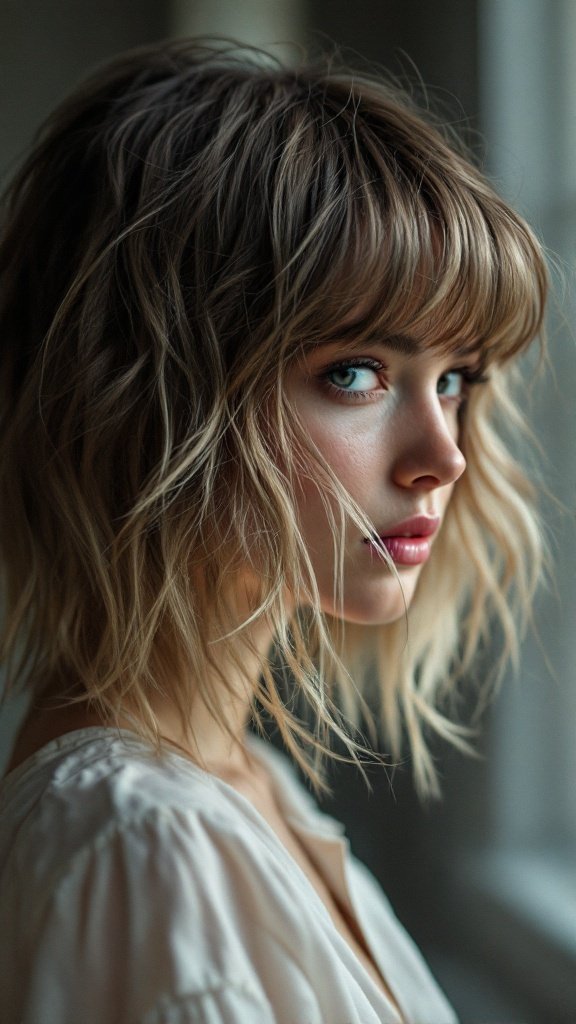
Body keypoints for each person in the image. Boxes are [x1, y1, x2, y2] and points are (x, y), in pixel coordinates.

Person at [0, 38, 547, 1024]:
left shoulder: (248, 788)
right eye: (357, 373)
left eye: (456, 379)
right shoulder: (143, 848)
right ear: (156, 397)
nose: (445, 455)